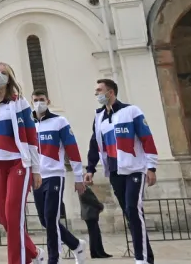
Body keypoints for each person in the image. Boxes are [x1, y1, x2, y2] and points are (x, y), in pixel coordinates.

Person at [0, 62, 43, 264]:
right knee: (4, 219)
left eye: (4, 73)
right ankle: (33, 254)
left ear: (10, 77)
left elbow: (31, 137)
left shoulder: (19, 103)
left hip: (18, 164)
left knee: (13, 217)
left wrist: (36, 169)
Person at [86, 78, 156, 264]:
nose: (96, 94)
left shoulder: (131, 111)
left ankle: (142, 259)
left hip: (134, 168)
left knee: (134, 209)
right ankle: (145, 255)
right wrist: (90, 168)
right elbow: (95, 143)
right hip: (115, 170)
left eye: (99, 90)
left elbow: (147, 138)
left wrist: (151, 166)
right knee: (129, 212)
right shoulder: (99, 117)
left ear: (110, 92)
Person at [30, 90, 86, 264]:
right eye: (36, 100)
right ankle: (77, 245)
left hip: (54, 175)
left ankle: (54, 259)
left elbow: (72, 149)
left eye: (42, 100)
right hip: (36, 177)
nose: (39, 103)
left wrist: (78, 177)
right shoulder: (29, 125)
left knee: (51, 217)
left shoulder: (59, 122)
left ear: (48, 101)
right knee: (45, 220)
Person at [78, 185, 110, 259]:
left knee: (97, 234)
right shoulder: (83, 188)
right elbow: (92, 200)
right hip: (89, 213)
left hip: (90, 213)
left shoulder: (84, 187)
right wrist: (100, 206)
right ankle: (95, 253)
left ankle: (101, 251)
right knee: (94, 234)